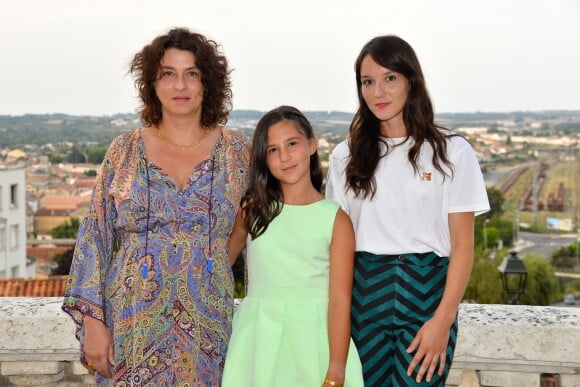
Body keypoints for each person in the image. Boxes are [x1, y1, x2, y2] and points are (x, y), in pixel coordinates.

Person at [61, 27, 250, 386]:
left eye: (191, 74)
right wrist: (93, 322)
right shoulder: (124, 151)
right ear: (153, 83)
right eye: (168, 74)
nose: (180, 85)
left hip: (208, 327)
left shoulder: (237, 152)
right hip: (132, 322)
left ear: (207, 82)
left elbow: (263, 225)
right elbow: (94, 237)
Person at [326, 35, 490, 386]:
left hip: (427, 293)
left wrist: (442, 320)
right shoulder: (345, 156)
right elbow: (335, 250)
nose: (378, 92)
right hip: (364, 295)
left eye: (390, 79)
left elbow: (463, 247)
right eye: (368, 82)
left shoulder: (452, 152)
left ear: (411, 81)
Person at [222, 106, 364, 387]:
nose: (284, 156)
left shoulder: (336, 221)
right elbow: (221, 264)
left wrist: (336, 370)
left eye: (292, 144)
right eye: (273, 150)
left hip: (314, 343)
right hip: (257, 342)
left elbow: (339, 301)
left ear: (311, 145)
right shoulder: (252, 211)